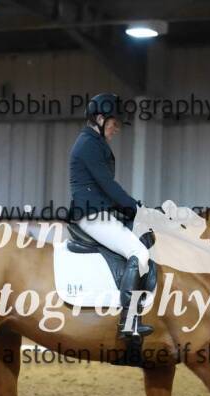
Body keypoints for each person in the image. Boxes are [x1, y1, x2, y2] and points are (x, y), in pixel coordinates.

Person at [69, 93, 153, 338]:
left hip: (100, 211)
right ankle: (129, 321)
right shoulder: (89, 144)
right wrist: (136, 208)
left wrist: (136, 209)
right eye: (114, 123)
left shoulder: (94, 142)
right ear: (99, 118)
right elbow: (108, 186)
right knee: (139, 252)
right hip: (92, 215)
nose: (117, 129)